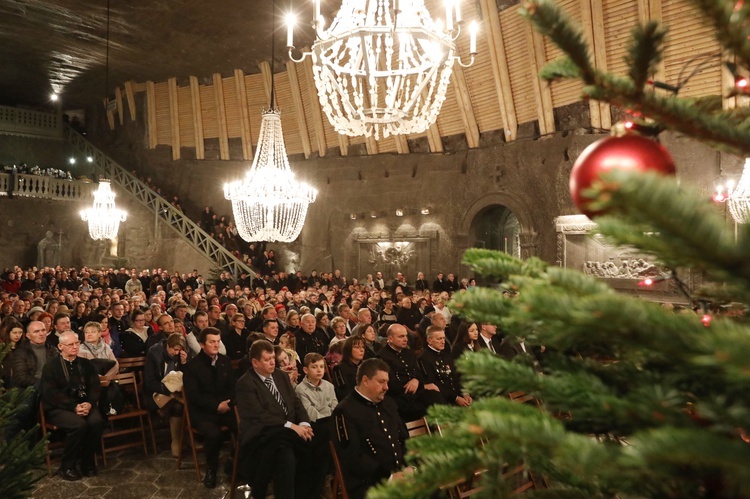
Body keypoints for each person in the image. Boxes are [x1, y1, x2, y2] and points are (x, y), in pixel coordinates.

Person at [236, 340, 321, 498]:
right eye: (267, 359)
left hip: (285, 433)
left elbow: (296, 403)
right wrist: (292, 427)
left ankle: (305, 493)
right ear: (255, 362)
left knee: (318, 441)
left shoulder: (280, 375)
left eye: (273, 358)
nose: (272, 362)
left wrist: (304, 424)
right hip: (260, 436)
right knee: (285, 454)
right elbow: (261, 417)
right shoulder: (245, 384)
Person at [332, 358, 410, 499]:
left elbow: (404, 439)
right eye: (381, 382)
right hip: (369, 484)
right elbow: (353, 458)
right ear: (365, 381)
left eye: (387, 382)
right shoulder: (344, 411)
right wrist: (390, 479)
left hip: (400, 474)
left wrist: (411, 468)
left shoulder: (388, 403)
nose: (386, 387)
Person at [41, 331, 103, 480]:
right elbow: (51, 393)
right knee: (78, 425)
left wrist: (89, 403)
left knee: (96, 422)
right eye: (71, 344)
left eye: (77, 343)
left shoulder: (85, 363)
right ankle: (67, 466)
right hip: (59, 407)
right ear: (60, 346)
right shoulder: (51, 367)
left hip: (85, 404)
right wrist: (73, 407)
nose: (75, 347)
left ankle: (87, 462)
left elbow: (95, 386)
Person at [182, 327, 236, 488]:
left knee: (245, 425)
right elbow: (193, 395)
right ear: (202, 344)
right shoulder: (192, 366)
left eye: (218, 342)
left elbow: (234, 387)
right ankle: (211, 469)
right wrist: (215, 405)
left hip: (225, 408)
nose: (216, 345)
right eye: (212, 342)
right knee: (214, 434)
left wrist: (228, 403)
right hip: (203, 412)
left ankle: (235, 462)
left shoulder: (225, 361)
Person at [377, 324, 443, 421]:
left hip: (417, 392)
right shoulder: (381, 357)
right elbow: (392, 384)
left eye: (406, 335)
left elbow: (419, 375)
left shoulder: (409, 353)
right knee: (423, 409)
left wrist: (416, 380)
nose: (406, 339)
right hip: (400, 396)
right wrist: (420, 385)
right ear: (390, 339)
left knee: (437, 397)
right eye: (401, 336)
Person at [8, 320, 59, 439]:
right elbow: (21, 378)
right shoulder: (21, 352)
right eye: (36, 331)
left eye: (43, 330)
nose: (41, 334)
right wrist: (44, 383)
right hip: (30, 390)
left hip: (52, 390)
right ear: (28, 335)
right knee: (29, 397)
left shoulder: (53, 350)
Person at [144, 333, 188, 457]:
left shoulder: (180, 355)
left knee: (185, 403)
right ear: (168, 346)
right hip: (156, 392)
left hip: (176, 392)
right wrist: (168, 390)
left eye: (179, 350)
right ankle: (177, 441)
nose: (176, 353)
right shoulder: (154, 354)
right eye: (175, 349)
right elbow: (150, 382)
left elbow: (185, 377)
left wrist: (184, 363)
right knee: (179, 406)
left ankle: (187, 437)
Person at [418, 326, 472, 406]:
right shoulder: (424, 358)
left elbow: (455, 376)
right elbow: (434, 383)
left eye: (443, 338)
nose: (443, 342)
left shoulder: (446, 355)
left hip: (457, 395)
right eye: (439, 339)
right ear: (429, 340)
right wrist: (456, 398)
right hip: (442, 399)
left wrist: (465, 393)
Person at [332, 335, 366, 400]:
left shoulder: (365, 365)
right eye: (357, 347)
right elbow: (343, 393)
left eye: (363, 347)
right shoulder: (339, 368)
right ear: (348, 349)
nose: (361, 350)